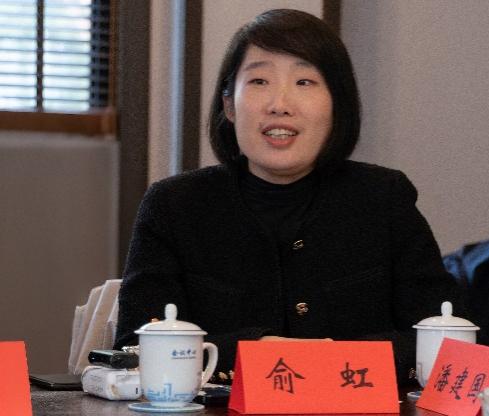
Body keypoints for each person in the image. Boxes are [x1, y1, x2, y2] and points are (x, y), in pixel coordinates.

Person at [114, 8, 463, 385]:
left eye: (304, 82)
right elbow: (133, 348)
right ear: (229, 104)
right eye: (259, 80)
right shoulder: (174, 205)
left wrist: (333, 360)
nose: (280, 104)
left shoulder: (384, 198)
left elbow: (446, 339)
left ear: (337, 104)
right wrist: (255, 351)